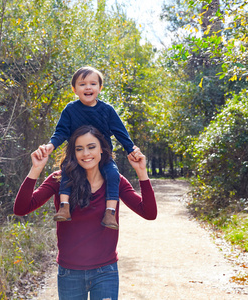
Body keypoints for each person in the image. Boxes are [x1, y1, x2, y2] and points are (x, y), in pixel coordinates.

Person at [14, 125, 157, 300]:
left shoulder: (115, 182)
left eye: (91, 147)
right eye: (79, 149)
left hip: (106, 272)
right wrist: (36, 168)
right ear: (73, 153)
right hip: (69, 273)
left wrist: (141, 172)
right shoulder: (59, 180)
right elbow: (21, 209)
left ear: (102, 150)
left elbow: (149, 213)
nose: (86, 153)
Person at [43, 66, 137, 230]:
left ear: (100, 88)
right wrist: (51, 145)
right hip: (76, 156)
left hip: (104, 156)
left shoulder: (107, 110)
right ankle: (64, 207)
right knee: (66, 169)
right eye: (82, 84)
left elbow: (120, 132)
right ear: (74, 89)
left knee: (113, 174)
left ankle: (110, 212)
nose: (88, 87)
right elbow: (61, 132)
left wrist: (131, 149)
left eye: (93, 83)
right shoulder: (70, 110)